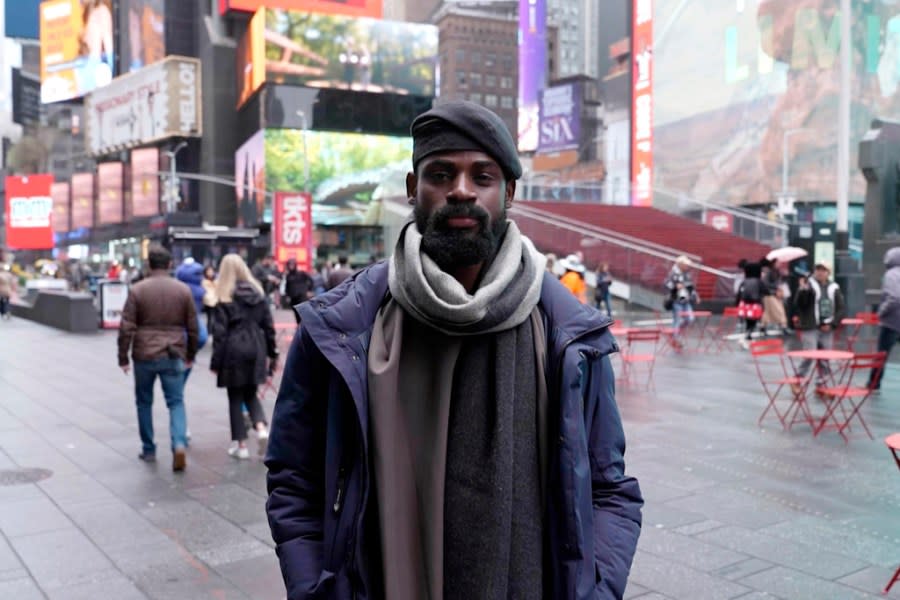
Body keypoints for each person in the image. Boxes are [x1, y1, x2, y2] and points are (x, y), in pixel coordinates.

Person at [265, 100, 642, 599]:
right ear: (412, 189)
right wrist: (318, 590)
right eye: (441, 174)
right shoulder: (341, 328)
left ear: (508, 192)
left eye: (481, 176)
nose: (461, 190)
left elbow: (609, 488)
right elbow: (295, 478)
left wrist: (594, 591)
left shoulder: (568, 335)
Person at [117, 245, 197, 471]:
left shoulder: (137, 290)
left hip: (144, 354)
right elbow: (192, 327)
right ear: (170, 264)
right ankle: (179, 443)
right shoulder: (182, 290)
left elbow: (126, 327)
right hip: (173, 352)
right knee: (176, 401)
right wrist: (190, 354)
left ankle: (149, 448)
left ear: (149, 265)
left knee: (144, 402)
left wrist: (123, 357)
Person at [210, 254, 277, 460]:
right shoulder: (258, 293)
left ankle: (241, 445)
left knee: (235, 396)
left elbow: (219, 335)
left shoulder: (224, 297)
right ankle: (262, 428)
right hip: (256, 345)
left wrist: (215, 362)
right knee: (251, 393)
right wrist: (272, 353)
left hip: (233, 348)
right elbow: (269, 327)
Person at [793, 260, 845, 380]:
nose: (820, 272)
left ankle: (823, 382)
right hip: (810, 326)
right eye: (818, 269)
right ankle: (798, 379)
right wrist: (803, 290)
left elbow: (841, 308)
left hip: (827, 326)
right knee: (809, 355)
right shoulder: (808, 284)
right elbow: (800, 304)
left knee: (825, 357)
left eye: (823, 270)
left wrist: (832, 324)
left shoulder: (834, 287)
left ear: (828, 273)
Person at [869, 247, 900, 390]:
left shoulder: (891, 275)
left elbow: (894, 297)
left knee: (882, 354)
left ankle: (874, 383)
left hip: (891, 321)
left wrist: (881, 312)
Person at [664, 255, 698, 346]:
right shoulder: (673, 273)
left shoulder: (687, 274)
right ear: (680, 264)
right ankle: (675, 338)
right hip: (676, 299)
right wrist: (675, 287)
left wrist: (695, 296)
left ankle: (676, 333)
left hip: (686, 300)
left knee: (690, 318)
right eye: (686, 265)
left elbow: (690, 286)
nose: (687, 266)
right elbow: (667, 284)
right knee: (677, 320)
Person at [736, 258, 770, 349]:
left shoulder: (744, 281)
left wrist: (737, 304)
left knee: (748, 321)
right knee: (754, 322)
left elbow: (739, 293)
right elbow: (767, 292)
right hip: (755, 304)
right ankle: (748, 336)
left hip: (745, 305)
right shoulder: (759, 281)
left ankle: (748, 337)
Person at [283, 259, 314, 324]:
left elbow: (311, 280)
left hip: (301, 297)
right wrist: (287, 296)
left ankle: (304, 328)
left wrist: (309, 290)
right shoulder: (288, 276)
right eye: (289, 265)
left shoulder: (301, 273)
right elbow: (287, 286)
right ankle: (299, 327)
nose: (291, 266)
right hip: (293, 298)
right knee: (296, 313)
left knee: (302, 314)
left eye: (292, 265)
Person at [201, 265, 218, 331]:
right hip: (208, 302)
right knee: (210, 317)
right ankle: (209, 330)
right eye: (208, 271)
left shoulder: (216, 280)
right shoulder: (203, 282)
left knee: (214, 317)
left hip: (216, 301)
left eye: (211, 271)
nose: (210, 273)